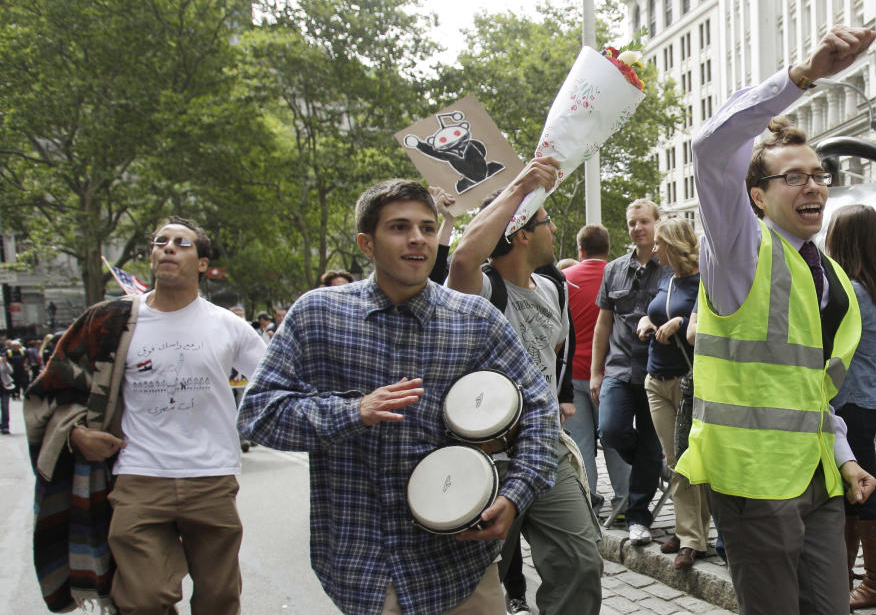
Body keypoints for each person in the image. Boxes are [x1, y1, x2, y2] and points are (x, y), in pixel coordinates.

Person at [238, 179, 559, 614]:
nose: (418, 239)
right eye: (399, 227)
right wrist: (354, 412)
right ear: (366, 243)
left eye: (428, 228)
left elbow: (539, 407)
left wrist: (516, 493)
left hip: (460, 566)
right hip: (364, 569)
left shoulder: (474, 318)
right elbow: (258, 413)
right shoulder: (317, 314)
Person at [674, 25, 876, 615]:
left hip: (820, 480)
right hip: (756, 485)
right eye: (794, 177)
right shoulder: (740, 252)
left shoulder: (833, 277)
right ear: (757, 196)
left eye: (819, 175)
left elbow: (812, 388)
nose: (813, 185)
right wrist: (803, 76)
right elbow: (711, 150)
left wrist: (844, 457)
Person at [25, 216, 266, 613]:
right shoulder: (111, 322)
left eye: (182, 243)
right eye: (161, 242)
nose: (168, 247)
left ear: (203, 264)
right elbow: (54, 388)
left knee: (219, 598)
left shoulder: (229, 326)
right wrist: (76, 434)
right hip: (138, 479)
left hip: (211, 479)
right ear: (152, 255)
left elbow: (275, 382)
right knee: (144, 598)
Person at [447, 157, 603, 615]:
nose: (555, 229)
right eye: (546, 220)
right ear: (521, 234)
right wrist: (521, 186)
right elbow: (460, 257)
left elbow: (550, 353)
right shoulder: (478, 288)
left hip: (545, 449)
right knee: (480, 577)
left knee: (581, 562)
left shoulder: (553, 289)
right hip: (487, 457)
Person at [826, 204, 876, 609]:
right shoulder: (869, 285)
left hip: (851, 400)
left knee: (863, 490)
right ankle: (847, 578)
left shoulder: (850, 289)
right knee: (852, 491)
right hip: (862, 397)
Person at [592, 199, 670, 544]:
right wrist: (596, 372)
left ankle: (638, 517)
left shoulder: (670, 267)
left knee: (652, 445)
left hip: (658, 371)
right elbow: (602, 322)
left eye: (643, 222)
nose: (637, 228)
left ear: (656, 223)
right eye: (631, 223)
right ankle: (650, 464)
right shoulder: (614, 270)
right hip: (619, 369)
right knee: (610, 431)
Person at [635, 218, 709, 569]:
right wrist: (646, 322)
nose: (653, 249)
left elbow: (707, 322)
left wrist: (682, 322)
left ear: (673, 244)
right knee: (674, 459)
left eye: (659, 244)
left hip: (686, 379)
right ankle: (687, 532)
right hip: (656, 378)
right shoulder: (666, 279)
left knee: (688, 460)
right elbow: (655, 311)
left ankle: (693, 539)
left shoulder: (703, 280)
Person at [562, 224, 630, 511]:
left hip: (573, 375)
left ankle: (588, 505)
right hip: (610, 373)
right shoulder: (618, 275)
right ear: (608, 248)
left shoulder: (563, 280)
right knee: (614, 442)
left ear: (580, 249)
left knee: (581, 445)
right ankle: (625, 504)